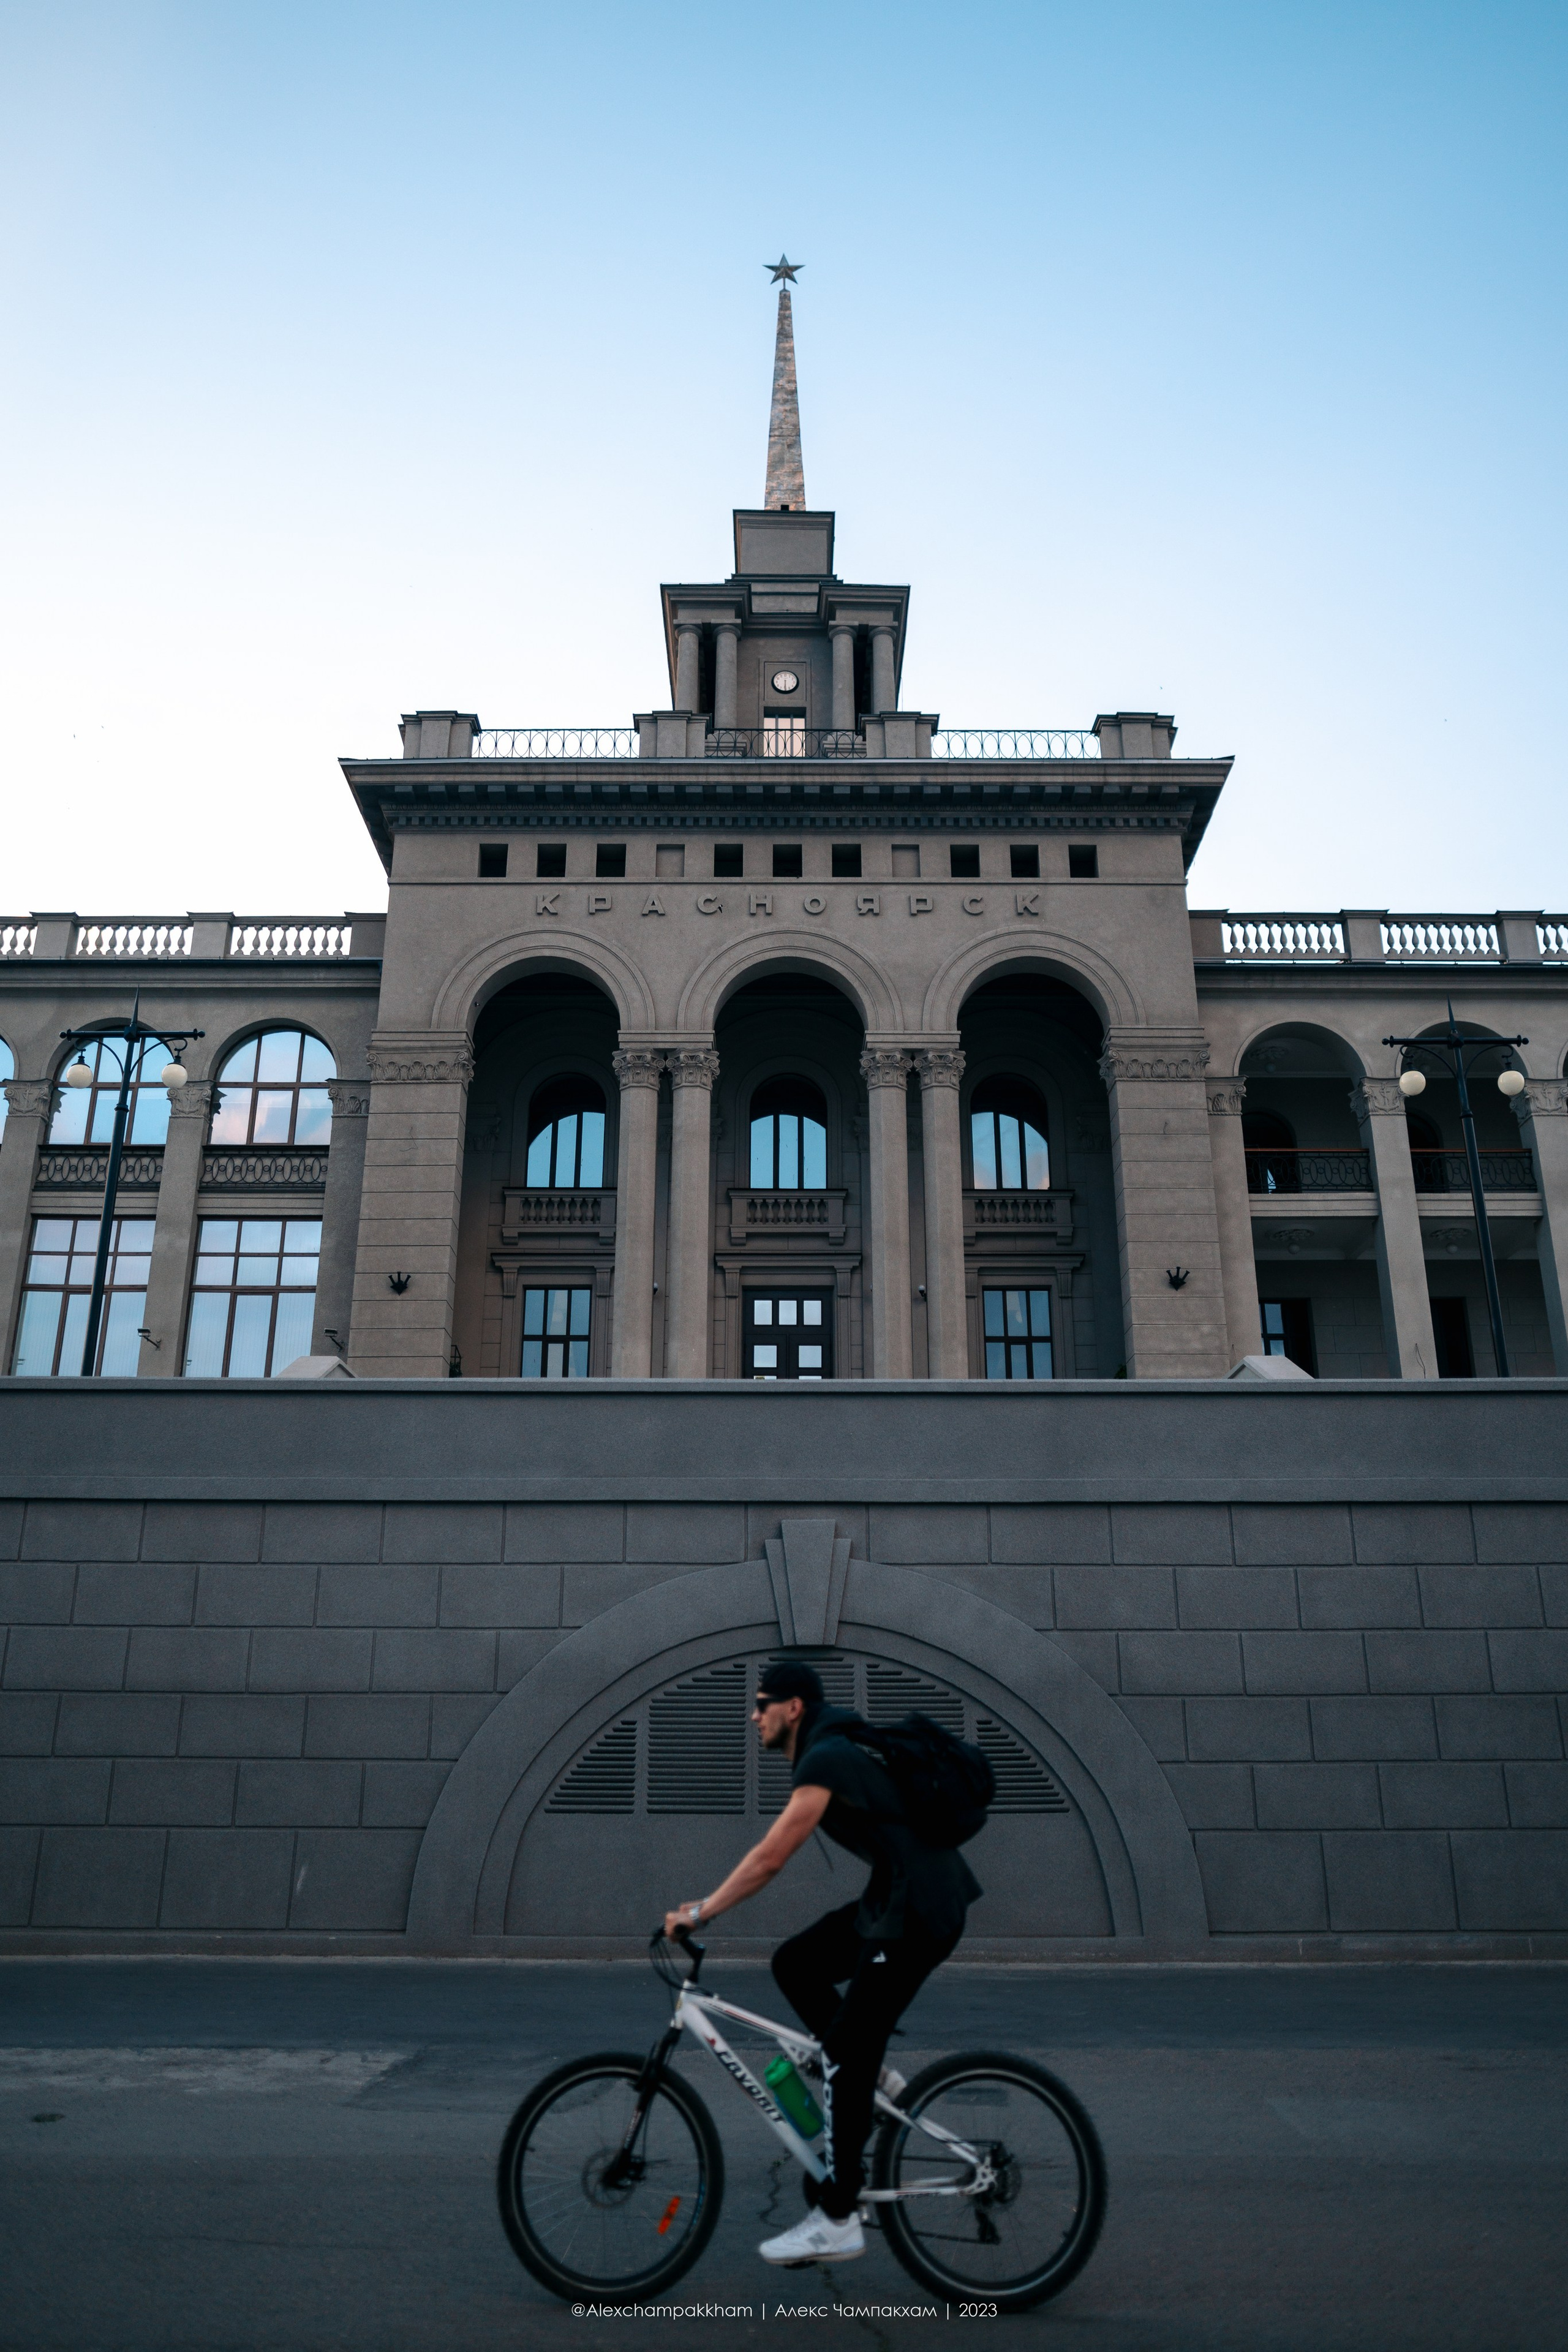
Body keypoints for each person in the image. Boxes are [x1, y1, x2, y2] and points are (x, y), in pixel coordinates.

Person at [663, 1659, 981, 2268]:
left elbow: (770, 1858)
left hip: (918, 1914)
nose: (752, 1715)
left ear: (794, 1708)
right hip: (898, 1900)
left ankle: (837, 2218)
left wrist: (701, 1913)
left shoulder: (825, 1758)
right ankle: (869, 2075)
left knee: (840, 2053)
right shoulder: (834, 1746)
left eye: (762, 1704)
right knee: (797, 1964)